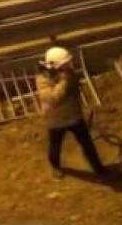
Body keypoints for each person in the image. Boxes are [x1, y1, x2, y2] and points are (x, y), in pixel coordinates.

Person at [36, 46, 108, 178]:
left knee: (87, 144)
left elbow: (75, 89)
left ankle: (98, 168)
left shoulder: (68, 74)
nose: (69, 65)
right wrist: (64, 81)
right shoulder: (42, 79)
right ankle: (55, 166)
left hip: (74, 116)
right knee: (55, 146)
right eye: (65, 64)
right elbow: (53, 98)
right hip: (56, 119)